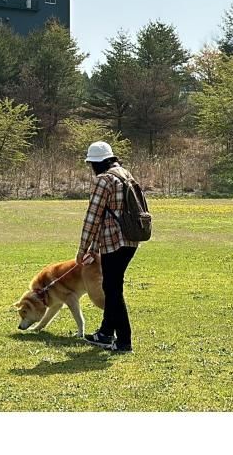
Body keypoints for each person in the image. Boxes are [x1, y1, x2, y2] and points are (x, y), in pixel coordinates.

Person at [76, 140, 139, 353]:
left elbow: (93, 217)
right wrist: (93, 247)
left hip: (113, 241)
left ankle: (124, 341)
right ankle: (104, 333)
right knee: (112, 286)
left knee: (112, 290)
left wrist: (83, 249)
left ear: (96, 163)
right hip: (131, 239)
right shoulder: (125, 174)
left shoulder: (104, 180)